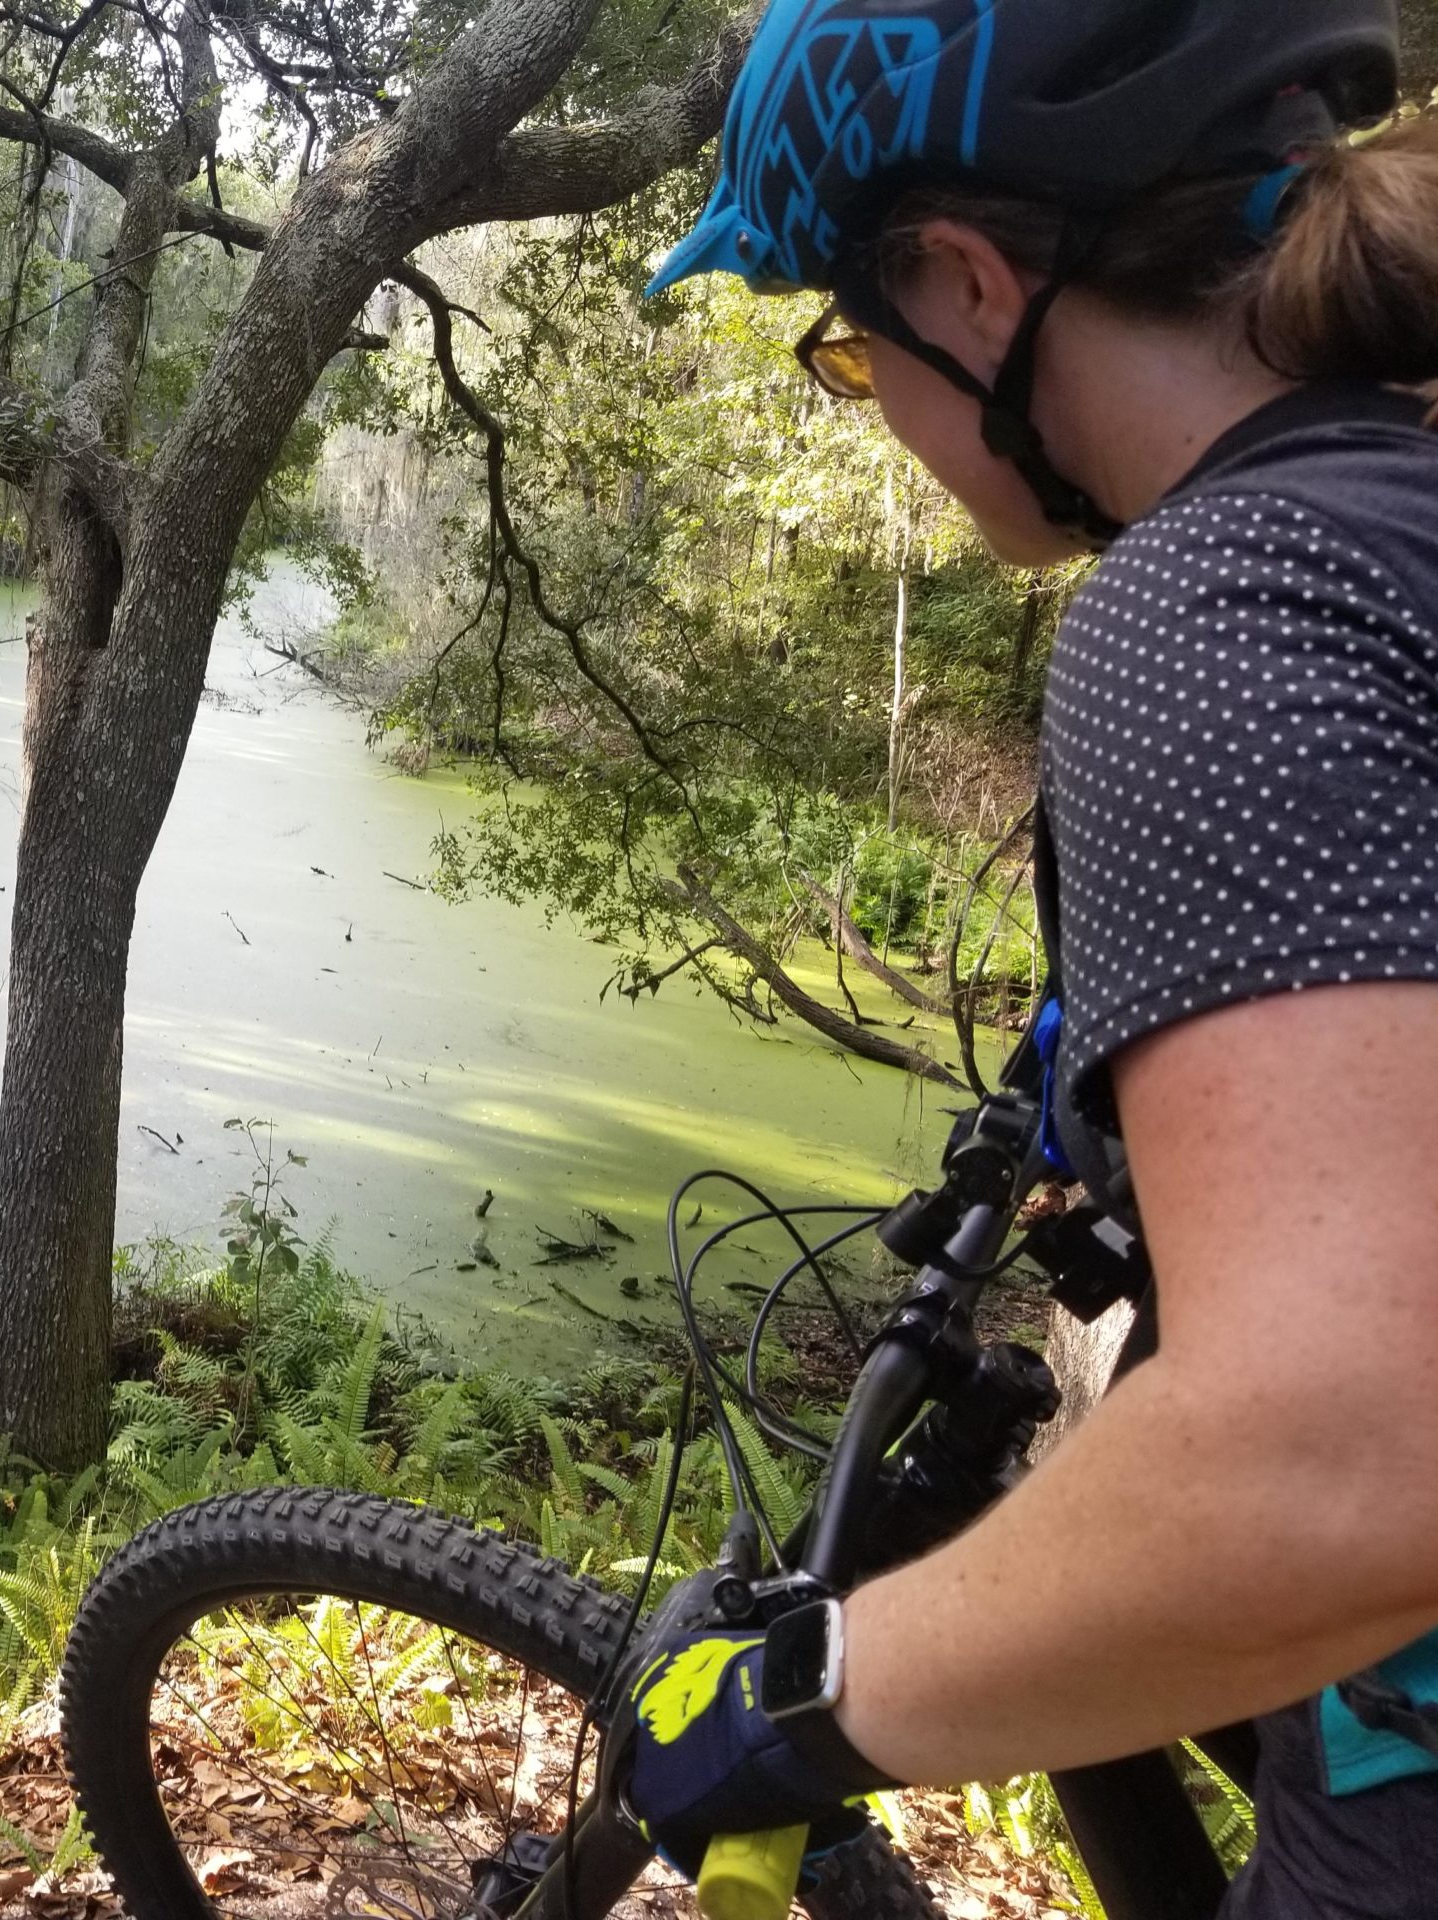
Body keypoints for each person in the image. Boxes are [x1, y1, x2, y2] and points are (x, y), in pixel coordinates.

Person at [610, 3, 1438, 1914]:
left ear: (968, 290)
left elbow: (1341, 1462)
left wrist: (806, 1704)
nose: (874, 413)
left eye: (846, 353)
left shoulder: (1227, 602)